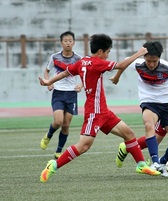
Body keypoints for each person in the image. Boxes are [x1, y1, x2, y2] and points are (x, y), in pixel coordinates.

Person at [38, 33, 161, 183]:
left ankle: (141, 165)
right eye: (108, 52)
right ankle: (54, 165)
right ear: (101, 51)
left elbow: (65, 72)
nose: (108, 56)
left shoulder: (83, 61)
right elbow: (121, 65)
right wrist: (140, 53)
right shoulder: (96, 63)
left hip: (104, 112)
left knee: (129, 133)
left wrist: (48, 80)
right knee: (83, 146)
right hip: (94, 113)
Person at [111, 41, 168, 171]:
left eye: (154, 61)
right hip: (149, 102)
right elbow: (124, 64)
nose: (151, 64)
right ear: (144, 57)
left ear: (159, 58)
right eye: (148, 61)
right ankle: (155, 162)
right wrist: (117, 77)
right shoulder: (138, 63)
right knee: (148, 125)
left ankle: (161, 164)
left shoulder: (167, 67)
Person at [40, 31, 82, 159]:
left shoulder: (78, 59)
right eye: (65, 41)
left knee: (66, 125)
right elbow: (47, 71)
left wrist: (81, 84)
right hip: (58, 92)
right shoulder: (55, 57)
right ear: (61, 42)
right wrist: (48, 83)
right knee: (58, 121)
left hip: (71, 94)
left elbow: (84, 74)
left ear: (74, 43)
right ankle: (48, 135)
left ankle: (58, 150)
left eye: (70, 41)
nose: (68, 43)